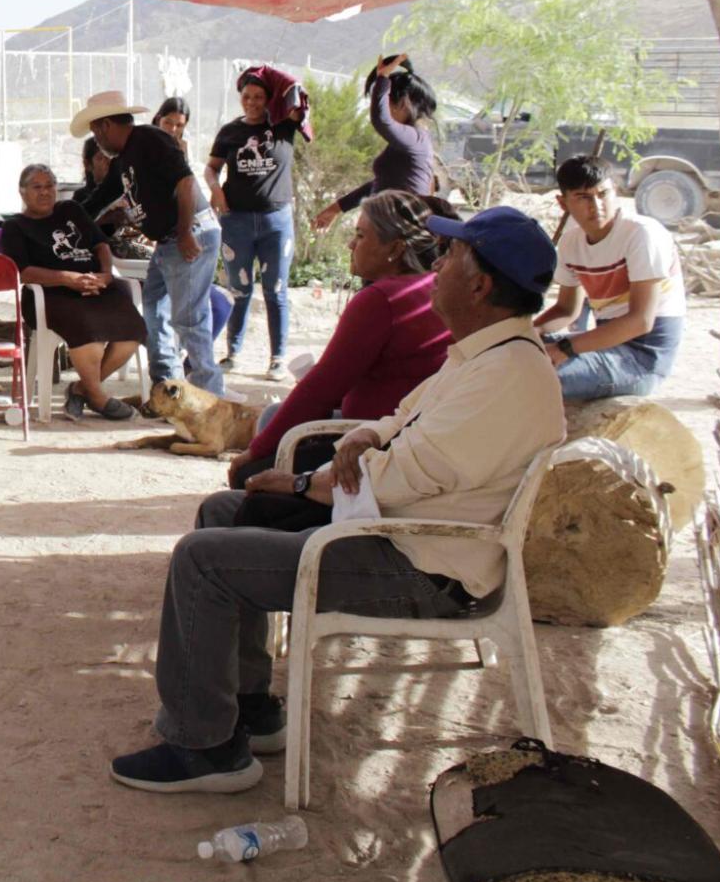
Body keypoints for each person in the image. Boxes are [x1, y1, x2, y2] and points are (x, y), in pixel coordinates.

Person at [109, 206, 565, 793]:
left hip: (419, 565)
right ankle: (247, 707)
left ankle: (202, 749)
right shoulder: (484, 354)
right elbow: (399, 420)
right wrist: (361, 436)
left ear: (479, 285)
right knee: (223, 512)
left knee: (202, 559)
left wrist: (306, 483)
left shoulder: (505, 375)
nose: (439, 265)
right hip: (392, 530)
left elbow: (402, 474)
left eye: (452, 256)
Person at [226, 191, 454, 487]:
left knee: (250, 473)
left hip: (371, 442)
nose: (351, 244)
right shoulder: (429, 286)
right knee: (273, 415)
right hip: (402, 431)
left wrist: (253, 453)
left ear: (395, 249)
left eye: (360, 236)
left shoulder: (381, 299)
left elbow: (322, 388)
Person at [72, 90, 225, 395]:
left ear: (104, 126)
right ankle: (167, 384)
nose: (96, 141)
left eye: (95, 132)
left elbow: (185, 182)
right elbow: (99, 200)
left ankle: (211, 397)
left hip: (188, 233)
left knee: (189, 320)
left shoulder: (149, 140)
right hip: (168, 243)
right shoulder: (123, 158)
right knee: (154, 309)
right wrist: (65, 219)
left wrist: (184, 233)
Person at [0, 164, 145, 422]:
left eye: (49, 186)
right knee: (87, 330)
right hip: (50, 295)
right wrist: (67, 279)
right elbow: (23, 272)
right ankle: (98, 398)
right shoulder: (16, 226)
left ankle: (81, 389)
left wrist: (106, 274)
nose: (45, 192)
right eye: (37, 187)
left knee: (133, 328)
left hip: (93, 287)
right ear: (22, 192)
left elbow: (100, 244)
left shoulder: (71, 210)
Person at [534, 155, 686, 400]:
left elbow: (640, 321)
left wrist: (565, 348)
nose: (596, 205)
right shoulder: (572, 242)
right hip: (605, 345)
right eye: (583, 198)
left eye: (603, 194)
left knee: (532, 379)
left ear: (615, 191)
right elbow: (566, 310)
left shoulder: (641, 234)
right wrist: (530, 333)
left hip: (641, 360)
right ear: (563, 203)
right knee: (515, 356)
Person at [207, 69, 305, 378]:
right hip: (236, 222)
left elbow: (298, 92)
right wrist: (216, 190)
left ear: (269, 99)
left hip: (276, 222)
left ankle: (277, 358)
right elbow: (211, 169)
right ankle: (232, 353)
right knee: (240, 289)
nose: (252, 102)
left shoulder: (285, 125)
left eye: (259, 97)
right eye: (247, 96)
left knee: (276, 289)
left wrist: (266, 72)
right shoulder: (229, 132)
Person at [314, 55, 439, 230]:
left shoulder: (416, 138)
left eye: (386, 101)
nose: (385, 107)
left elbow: (381, 120)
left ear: (403, 103)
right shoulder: (409, 141)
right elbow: (382, 182)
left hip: (401, 231)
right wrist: (335, 209)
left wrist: (383, 79)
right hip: (387, 226)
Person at [73, 136, 114, 205]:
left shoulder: (121, 189)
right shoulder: (81, 197)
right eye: (101, 158)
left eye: (111, 156)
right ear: (87, 165)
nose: (108, 161)